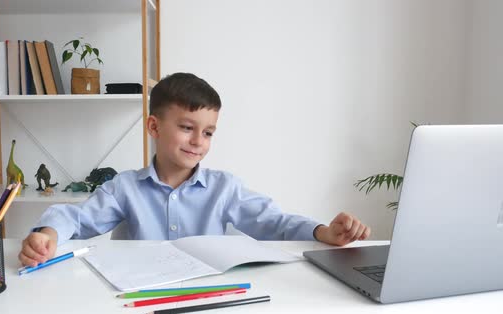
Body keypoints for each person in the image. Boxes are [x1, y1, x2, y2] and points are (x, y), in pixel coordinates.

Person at [19, 73, 371, 267]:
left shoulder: (225, 188)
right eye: (187, 127)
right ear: (154, 127)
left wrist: (323, 232)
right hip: (137, 300)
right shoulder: (124, 188)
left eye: (208, 132)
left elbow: (273, 222)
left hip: (209, 299)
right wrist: (48, 234)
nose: (198, 141)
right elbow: (78, 220)